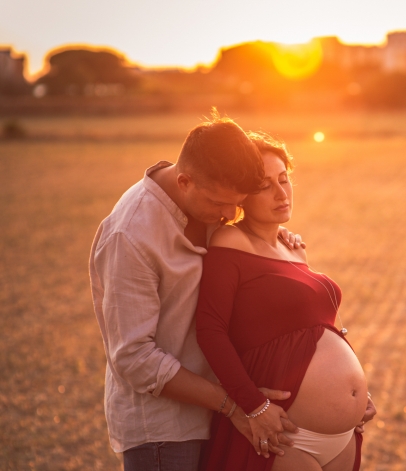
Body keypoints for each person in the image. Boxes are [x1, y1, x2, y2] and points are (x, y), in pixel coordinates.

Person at [89, 113, 302, 471]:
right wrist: (236, 405)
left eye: (237, 203)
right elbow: (134, 358)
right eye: (219, 204)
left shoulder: (210, 204)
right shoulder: (130, 235)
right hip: (165, 432)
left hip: (220, 413)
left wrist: (273, 241)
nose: (228, 214)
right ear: (184, 181)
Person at [196, 132, 376, 471]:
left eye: (284, 179)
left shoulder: (293, 249)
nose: (282, 193)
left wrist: (356, 393)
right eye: (265, 185)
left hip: (343, 436)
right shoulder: (231, 239)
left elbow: (317, 327)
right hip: (285, 433)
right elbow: (210, 329)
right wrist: (253, 406)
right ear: (242, 195)